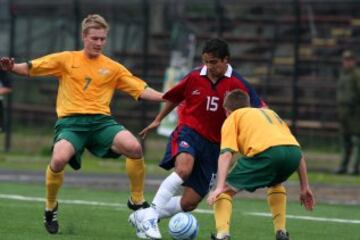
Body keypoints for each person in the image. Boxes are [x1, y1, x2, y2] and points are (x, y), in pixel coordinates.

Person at [0, 14, 163, 234]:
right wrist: (11, 67)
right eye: (94, 38)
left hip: (101, 122)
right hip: (71, 123)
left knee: (134, 147)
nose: (99, 43)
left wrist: (166, 96)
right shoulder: (67, 59)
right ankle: (50, 206)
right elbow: (31, 68)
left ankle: (136, 199)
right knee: (58, 159)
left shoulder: (113, 68)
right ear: (83, 36)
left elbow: (141, 89)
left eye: (103, 39)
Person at [128, 38, 266, 239]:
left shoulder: (238, 83)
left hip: (215, 147)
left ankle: (145, 215)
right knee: (184, 169)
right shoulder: (194, 76)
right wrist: (158, 119)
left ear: (226, 60)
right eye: (206, 62)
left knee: (189, 203)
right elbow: (175, 97)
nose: (209, 67)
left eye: (214, 62)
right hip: (189, 132)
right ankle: (150, 217)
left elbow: (259, 108)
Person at [207, 89, 315, 240]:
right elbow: (298, 151)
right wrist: (305, 187)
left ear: (227, 111)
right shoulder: (270, 113)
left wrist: (219, 187)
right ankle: (281, 232)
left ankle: (222, 235)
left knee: (224, 190)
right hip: (293, 154)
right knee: (275, 183)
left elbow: (226, 154)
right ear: (248, 105)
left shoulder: (233, 117)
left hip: (268, 154)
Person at [335, 50, 360, 175]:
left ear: (354, 61)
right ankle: (343, 166)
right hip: (343, 111)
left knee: (356, 139)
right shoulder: (343, 75)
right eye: (345, 60)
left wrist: (354, 104)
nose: (347, 62)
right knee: (345, 141)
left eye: (350, 60)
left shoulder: (357, 74)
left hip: (354, 112)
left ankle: (354, 167)